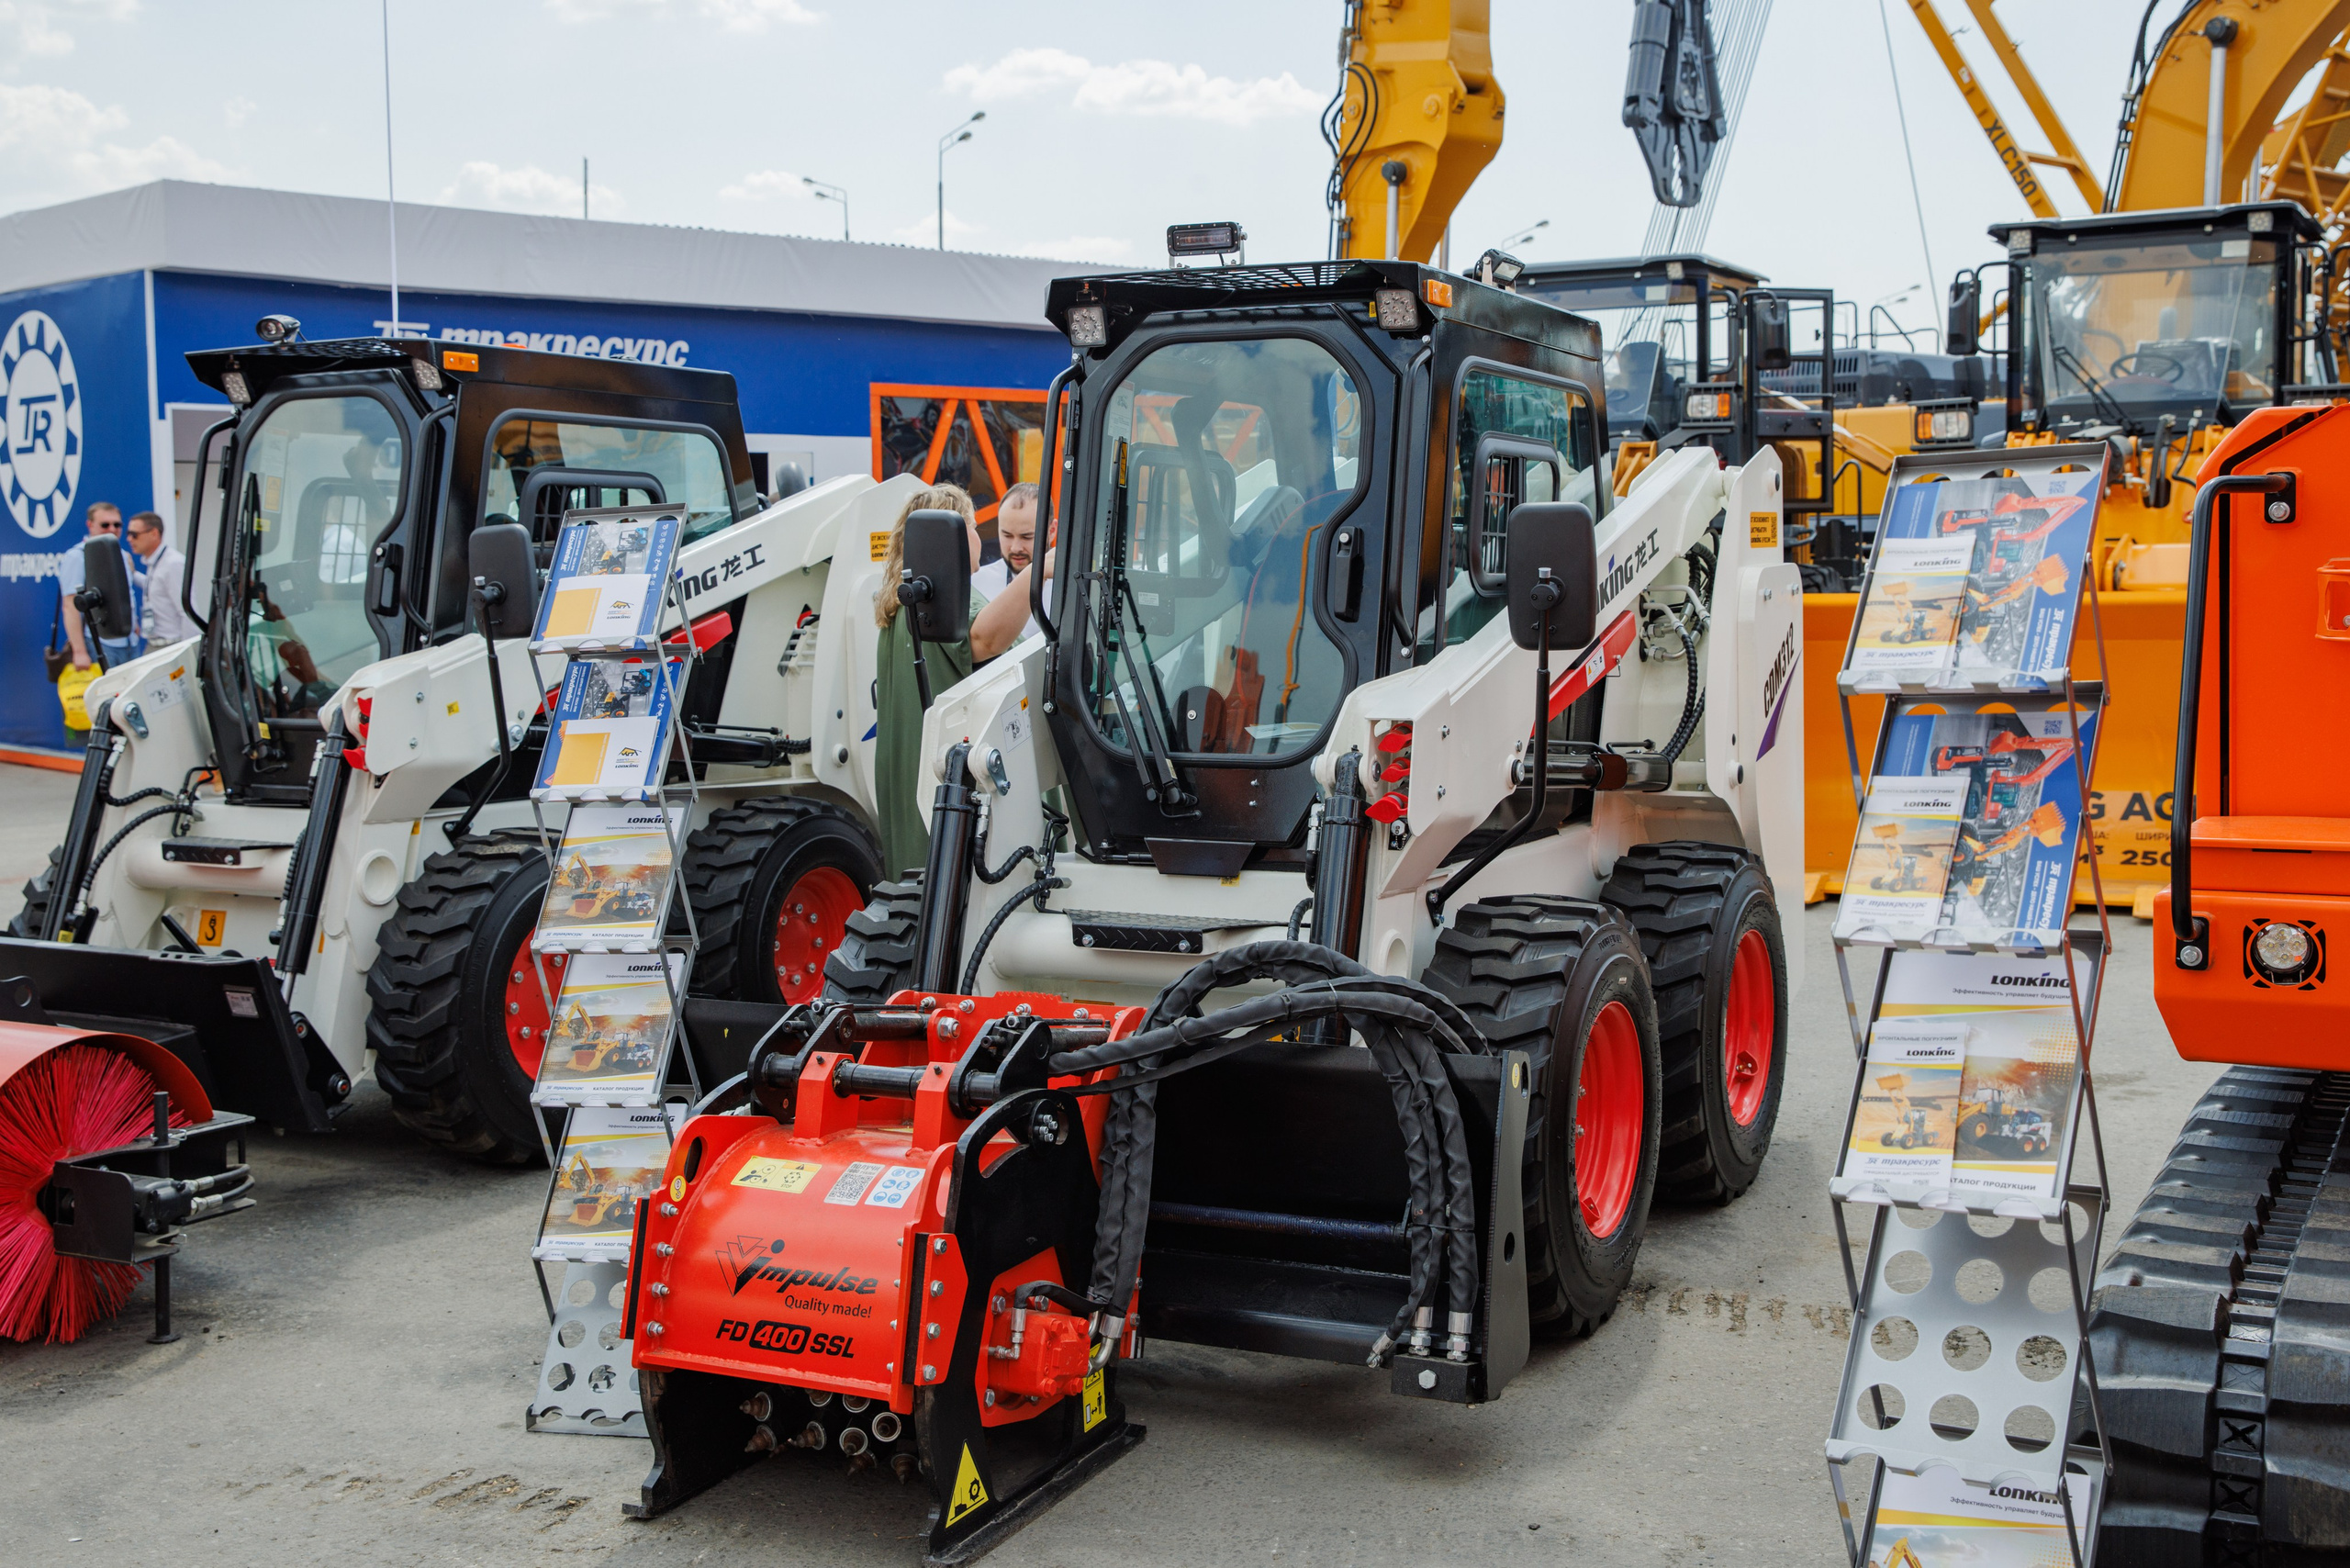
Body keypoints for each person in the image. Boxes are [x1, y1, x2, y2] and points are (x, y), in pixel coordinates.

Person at [874, 484, 985, 877]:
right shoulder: (951, 603)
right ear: (950, 539)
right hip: (946, 791)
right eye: (971, 526)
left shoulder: (896, 608)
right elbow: (986, 638)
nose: (978, 537)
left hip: (906, 781)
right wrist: (1041, 572)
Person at [58, 501, 138, 669]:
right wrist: (79, 651)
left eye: (117, 525)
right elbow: (70, 606)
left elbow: (124, 595)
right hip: (99, 644)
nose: (112, 529)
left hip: (130, 642)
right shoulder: (78, 556)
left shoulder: (123, 555)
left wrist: (134, 623)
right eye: (105, 525)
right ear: (90, 525)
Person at [970, 481, 1043, 659]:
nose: (1016, 547)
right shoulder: (975, 582)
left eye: (1027, 537)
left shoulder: (1074, 588)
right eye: (1007, 535)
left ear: (1053, 530)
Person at [127, 511, 194, 648]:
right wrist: (132, 573)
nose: (129, 539)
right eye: (128, 534)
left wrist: (189, 653)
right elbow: (156, 587)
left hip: (172, 646)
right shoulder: (156, 562)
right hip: (156, 645)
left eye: (134, 535)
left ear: (154, 533)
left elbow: (187, 611)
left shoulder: (173, 563)